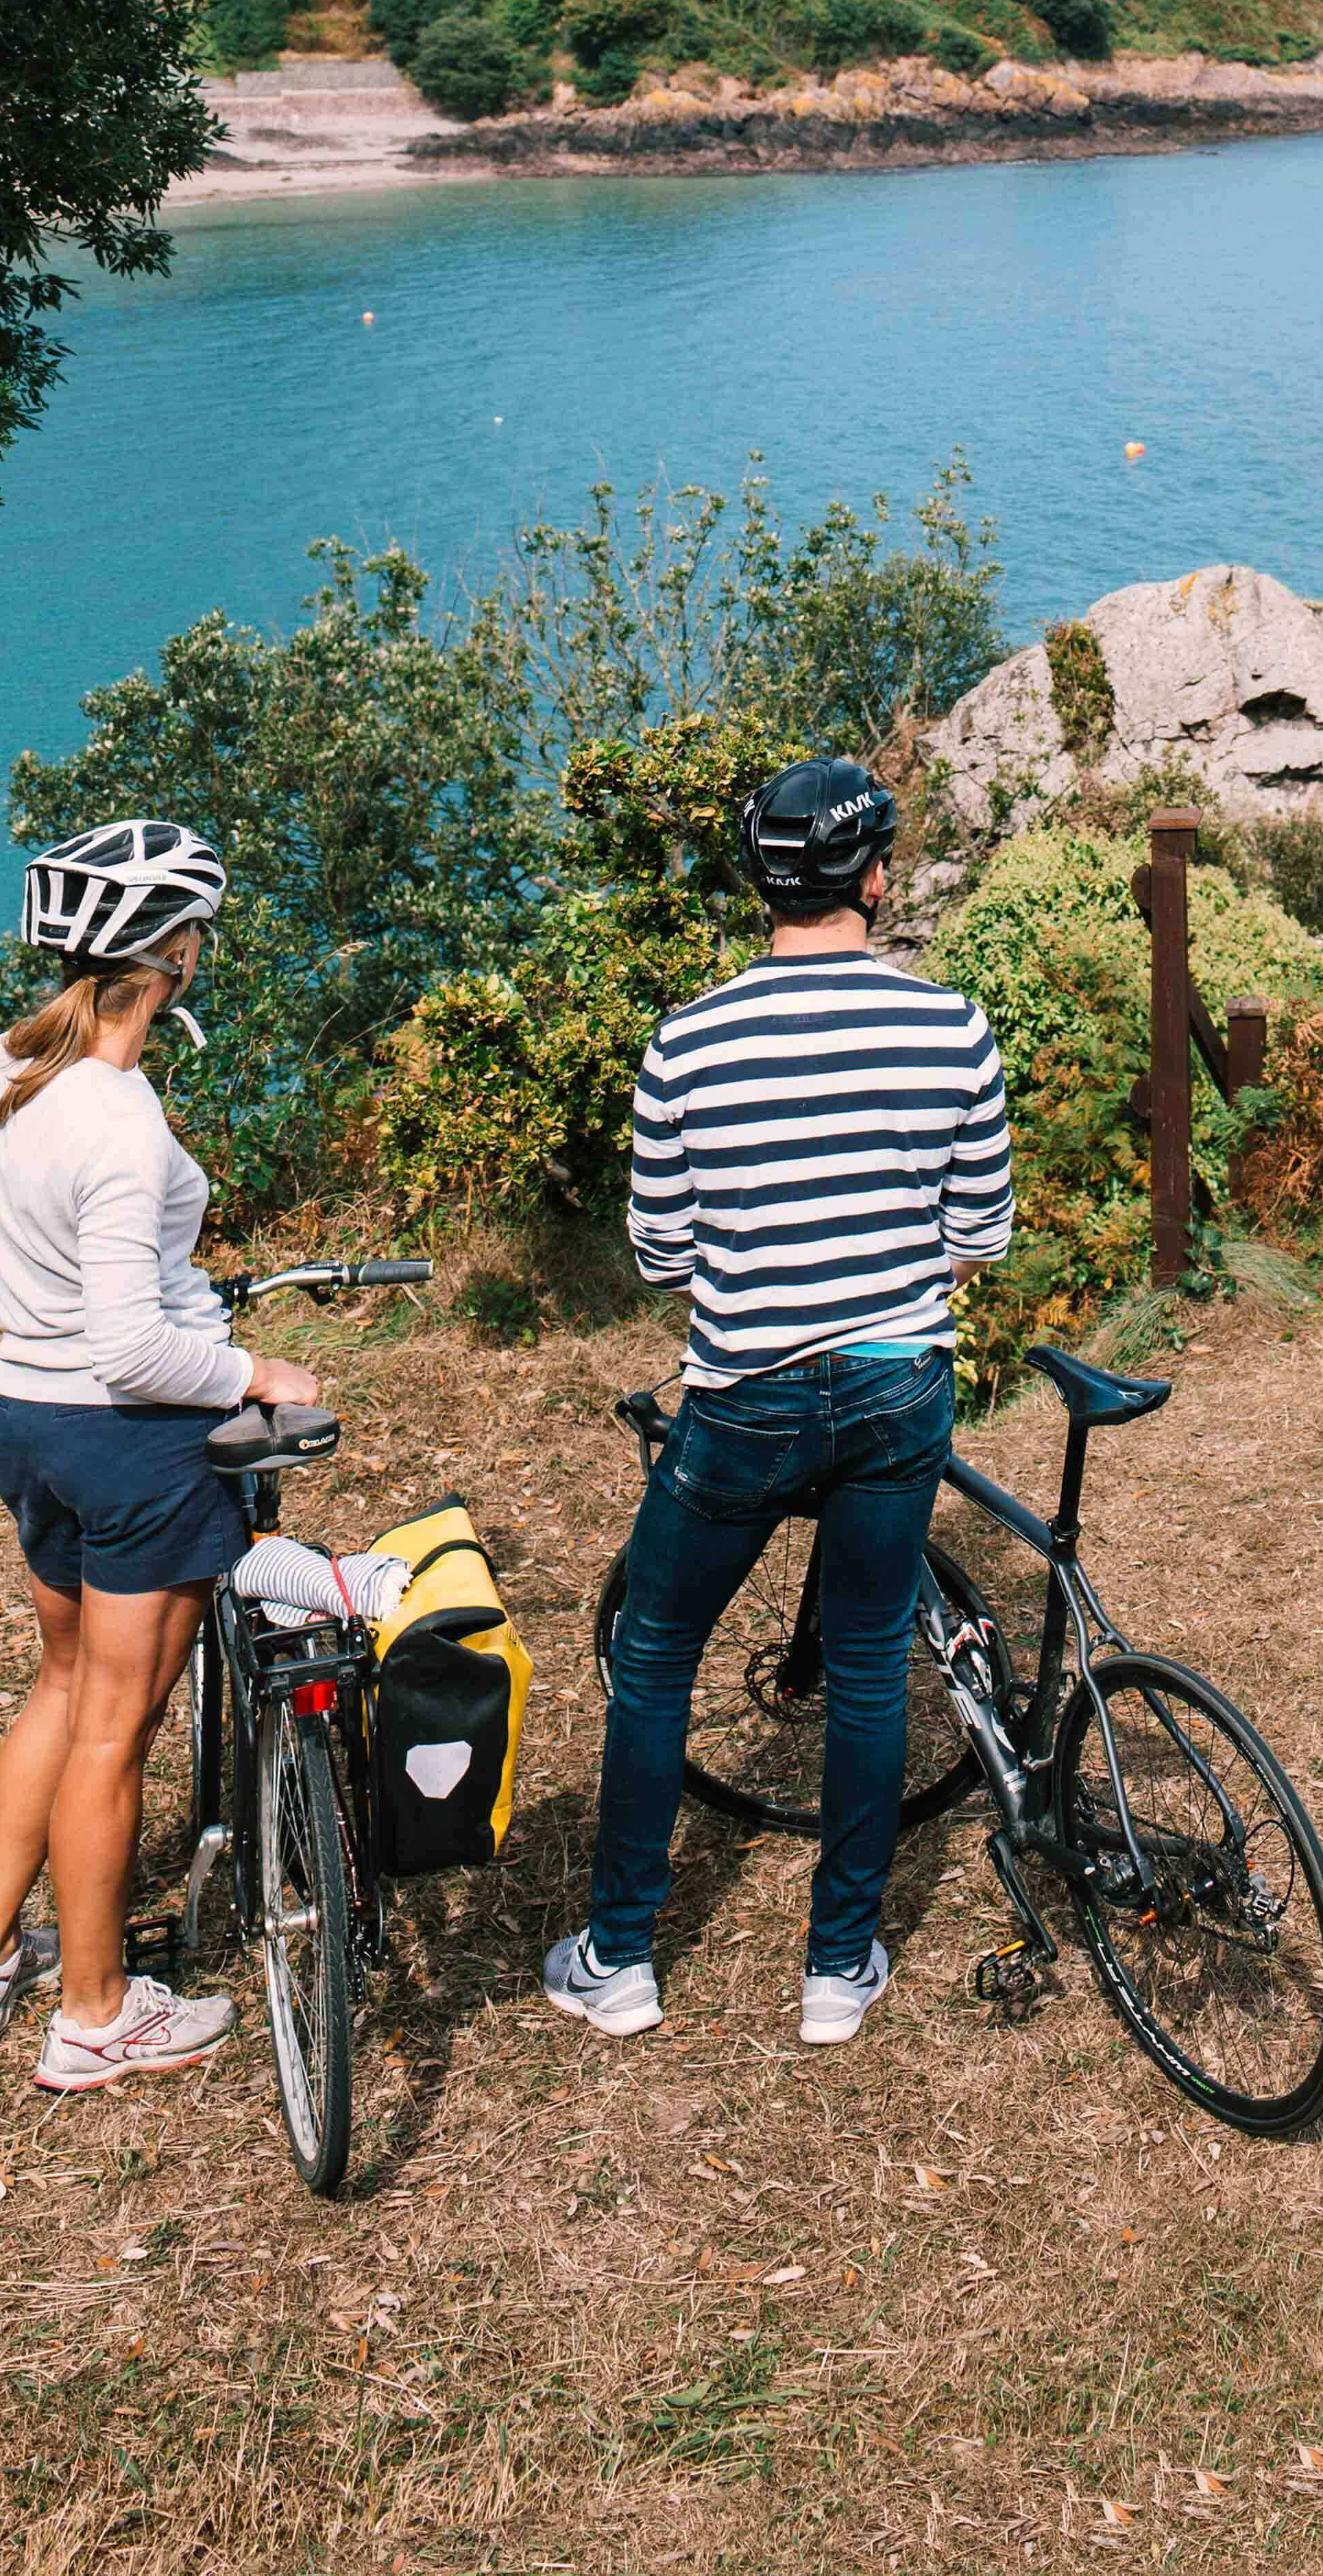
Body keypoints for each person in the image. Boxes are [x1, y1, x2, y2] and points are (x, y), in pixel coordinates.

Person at [545, 755, 1017, 2052]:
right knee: (869, 1665)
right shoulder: (950, 1026)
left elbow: (659, 1253)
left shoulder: (686, 1041)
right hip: (897, 1382)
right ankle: (837, 1967)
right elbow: (979, 1230)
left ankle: (622, 1958)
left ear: (763, 885)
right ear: (873, 878)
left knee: (653, 1652)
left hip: (745, 1389)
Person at [0, 816, 330, 2093]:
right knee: (117, 1727)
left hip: (26, 1419)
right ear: (170, 951)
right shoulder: (114, 1115)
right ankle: (98, 2016)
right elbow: (132, 1348)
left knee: (61, 1686)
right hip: (129, 1442)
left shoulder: (2, 1065)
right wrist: (252, 1373)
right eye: (197, 933)